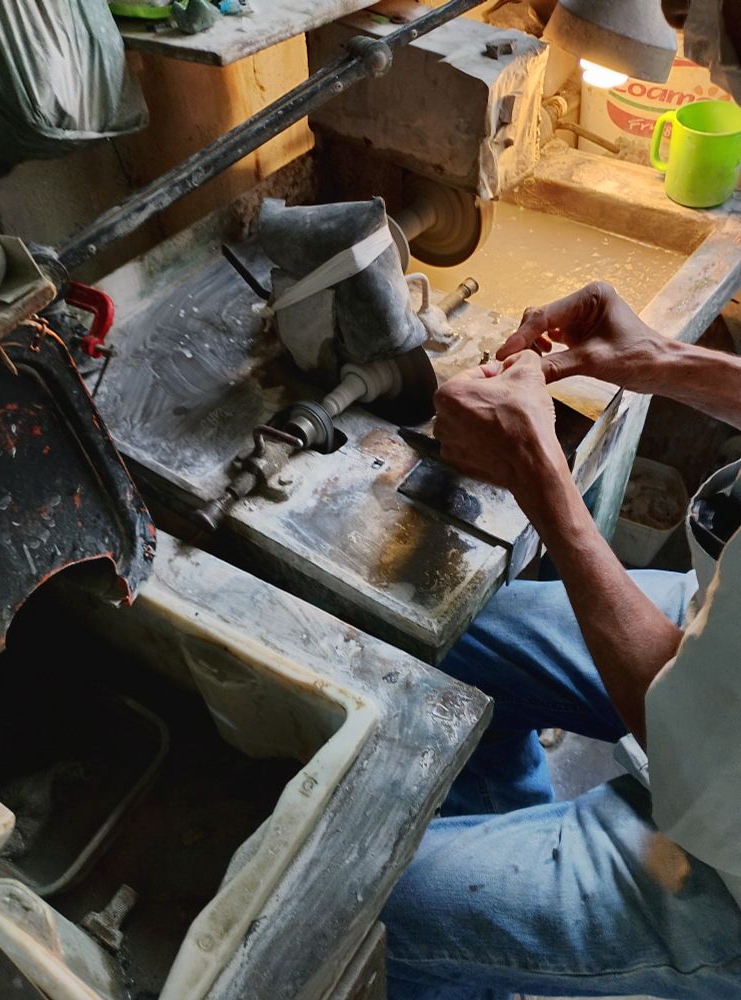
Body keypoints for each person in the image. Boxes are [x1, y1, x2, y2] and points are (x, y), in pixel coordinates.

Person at [382, 6, 741, 996]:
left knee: (370, 908)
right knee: (458, 633)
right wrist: (664, 361)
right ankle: (506, 824)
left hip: (729, 840)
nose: (681, 31)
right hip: (724, 660)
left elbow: (695, 740)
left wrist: (545, 483)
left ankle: (476, 954)